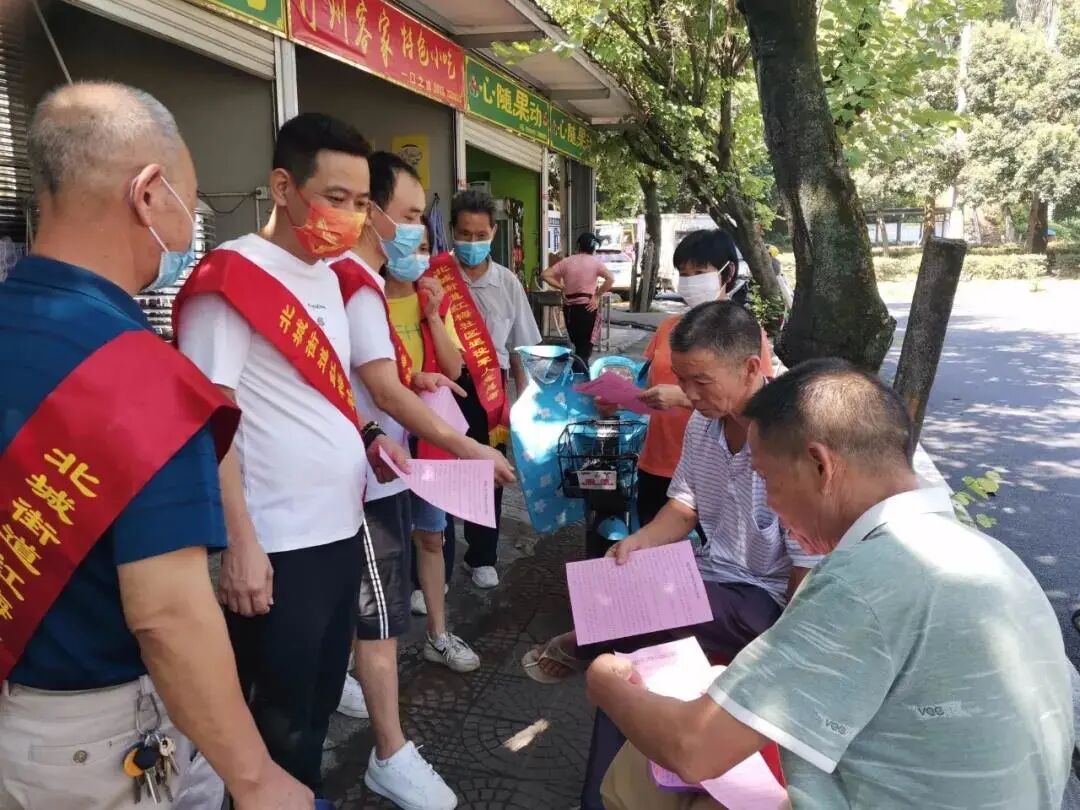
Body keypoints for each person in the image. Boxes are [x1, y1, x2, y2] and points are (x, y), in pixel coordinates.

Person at [0, 81, 310, 809]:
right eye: (190, 203)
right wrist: (256, 778)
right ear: (147, 195)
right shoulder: (144, 379)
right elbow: (167, 615)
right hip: (89, 741)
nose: (190, 225)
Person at [594, 358, 1075, 810]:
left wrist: (604, 680)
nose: (772, 506)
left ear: (821, 466)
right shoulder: (996, 561)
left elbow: (693, 748)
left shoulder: (865, 581)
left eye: (768, 480)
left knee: (637, 775)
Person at [174, 113, 409, 796]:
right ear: (283, 186)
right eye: (335, 197)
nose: (350, 217)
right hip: (277, 547)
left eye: (360, 202)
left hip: (339, 531)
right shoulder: (233, 277)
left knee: (316, 708)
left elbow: (319, 399)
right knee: (275, 725)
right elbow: (209, 422)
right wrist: (240, 544)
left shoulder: (330, 278)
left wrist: (369, 441)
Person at [330, 152, 514, 810]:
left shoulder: (362, 283)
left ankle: (378, 727)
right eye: (408, 216)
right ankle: (389, 751)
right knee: (374, 612)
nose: (418, 232)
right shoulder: (354, 286)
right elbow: (378, 389)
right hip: (366, 472)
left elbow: (383, 381)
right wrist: (470, 447)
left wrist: (418, 378)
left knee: (374, 602)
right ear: (370, 211)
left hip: (388, 460)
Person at [523, 233, 777, 683]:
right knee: (625, 598)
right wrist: (639, 543)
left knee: (647, 613)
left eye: (700, 382)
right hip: (713, 571)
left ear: (751, 369)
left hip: (763, 595)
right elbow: (684, 506)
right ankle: (604, 664)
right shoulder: (702, 422)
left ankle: (586, 643)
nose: (689, 395)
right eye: (681, 380)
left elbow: (806, 570)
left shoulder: (787, 439)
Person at [441, 189, 542, 589]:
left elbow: (519, 348)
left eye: (480, 235)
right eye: (464, 234)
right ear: (452, 231)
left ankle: (481, 556)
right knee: (441, 471)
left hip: (491, 390)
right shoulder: (435, 277)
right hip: (444, 387)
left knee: (488, 473)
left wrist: (523, 400)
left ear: (493, 233)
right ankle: (436, 562)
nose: (472, 242)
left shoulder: (507, 282)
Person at [541, 231, 614, 362]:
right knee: (584, 349)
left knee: (578, 345)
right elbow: (610, 279)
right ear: (593, 248)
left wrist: (562, 287)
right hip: (588, 309)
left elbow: (545, 275)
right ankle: (581, 371)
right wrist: (597, 296)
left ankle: (578, 369)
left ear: (578, 246)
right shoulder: (595, 263)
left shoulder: (566, 262)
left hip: (570, 311)